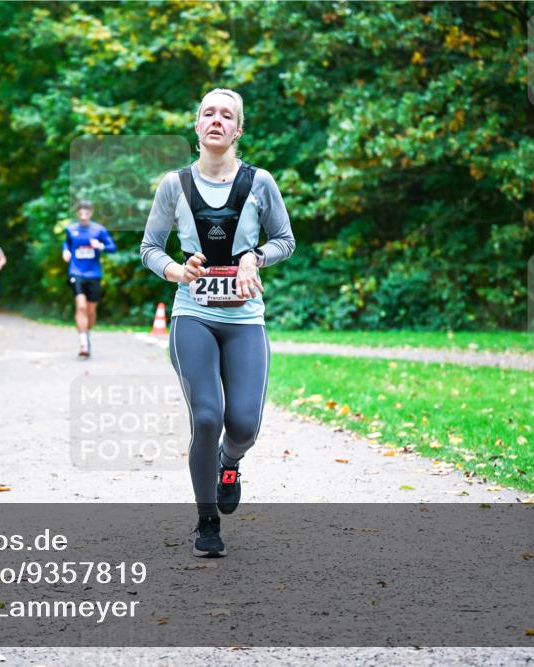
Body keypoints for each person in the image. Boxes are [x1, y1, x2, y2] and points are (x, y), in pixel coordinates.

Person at [140, 88, 295, 557]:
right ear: (197, 125)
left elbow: (285, 240)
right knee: (207, 417)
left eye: (227, 115)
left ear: (237, 129)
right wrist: (176, 269)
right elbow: (150, 248)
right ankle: (207, 521)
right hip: (193, 315)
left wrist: (254, 257)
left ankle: (231, 461)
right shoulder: (174, 184)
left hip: (245, 319)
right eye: (208, 113)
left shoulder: (259, 182)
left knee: (243, 425)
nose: (216, 121)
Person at [62, 199, 117, 358]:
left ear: (91, 213)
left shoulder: (99, 230)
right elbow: (66, 244)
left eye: (86, 213)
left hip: (94, 274)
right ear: (77, 213)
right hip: (76, 272)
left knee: (91, 310)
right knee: (81, 307)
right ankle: (83, 342)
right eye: (81, 213)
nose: (83, 215)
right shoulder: (71, 229)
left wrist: (100, 246)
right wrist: (65, 251)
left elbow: (112, 247)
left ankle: (87, 334)